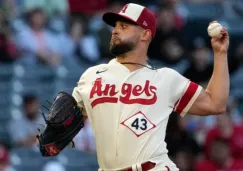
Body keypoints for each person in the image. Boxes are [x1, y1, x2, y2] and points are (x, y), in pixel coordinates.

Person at [45, 3, 229, 171]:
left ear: (145, 34)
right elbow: (62, 130)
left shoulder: (165, 78)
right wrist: (54, 132)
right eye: (115, 26)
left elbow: (215, 104)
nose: (115, 31)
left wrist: (220, 54)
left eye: (124, 26)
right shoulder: (92, 76)